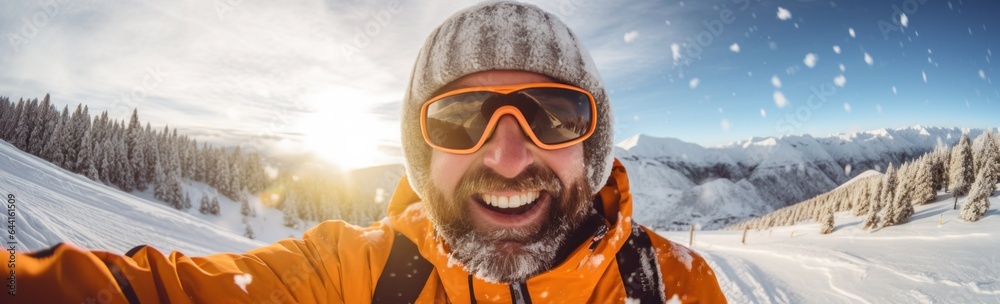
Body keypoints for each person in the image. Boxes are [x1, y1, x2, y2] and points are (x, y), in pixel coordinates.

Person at [3, 2, 726, 303]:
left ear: (592, 142)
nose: (508, 154)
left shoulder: (670, 285)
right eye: (460, 118)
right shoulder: (361, 273)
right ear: (418, 149)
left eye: (555, 115)